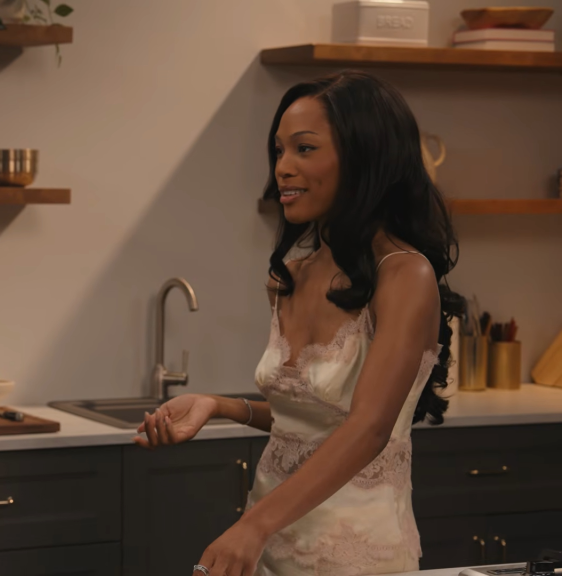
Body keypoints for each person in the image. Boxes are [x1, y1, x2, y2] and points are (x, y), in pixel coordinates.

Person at [134, 70, 464, 576]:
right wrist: (219, 405)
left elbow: (369, 428)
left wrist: (253, 526)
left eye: (304, 149)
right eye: (279, 150)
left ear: (365, 156)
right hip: (267, 548)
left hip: (354, 554)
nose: (283, 168)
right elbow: (310, 420)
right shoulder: (290, 274)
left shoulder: (404, 274)